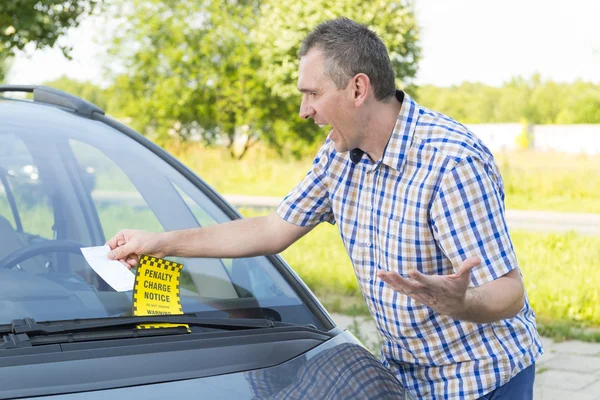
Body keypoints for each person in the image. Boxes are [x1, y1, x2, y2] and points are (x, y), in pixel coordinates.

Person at [107, 17, 542, 399]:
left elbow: (508, 291)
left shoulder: (450, 162)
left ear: (357, 88)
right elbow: (272, 229)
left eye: (312, 93)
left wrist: (460, 301)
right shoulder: (338, 155)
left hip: (483, 379)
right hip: (407, 375)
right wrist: (161, 242)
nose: (303, 111)